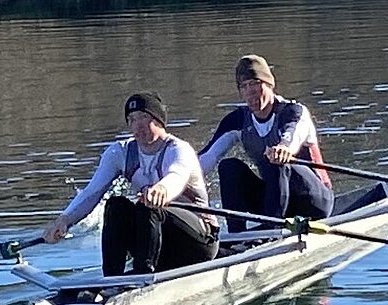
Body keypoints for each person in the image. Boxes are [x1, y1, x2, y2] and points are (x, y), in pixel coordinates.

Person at [42, 92, 219, 276]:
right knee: (115, 205)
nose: (138, 125)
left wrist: (162, 190)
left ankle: (142, 277)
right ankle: (112, 280)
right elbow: (91, 193)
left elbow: (177, 176)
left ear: (159, 121)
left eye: (144, 117)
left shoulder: (178, 150)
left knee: (148, 207)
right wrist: (64, 220)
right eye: (132, 119)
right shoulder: (120, 153)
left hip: (198, 242)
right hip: (157, 242)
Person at [197, 54, 335, 233]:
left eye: (255, 84)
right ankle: (235, 237)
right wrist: (171, 184)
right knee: (228, 167)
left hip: (314, 201)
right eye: (244, 87)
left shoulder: (293, 112)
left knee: (277, 159)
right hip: (276, 199)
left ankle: (270, 231)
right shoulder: (238, 120)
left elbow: (292, 137)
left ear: (270, 85)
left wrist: (284, 149)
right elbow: (206, 158)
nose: (250, 92)